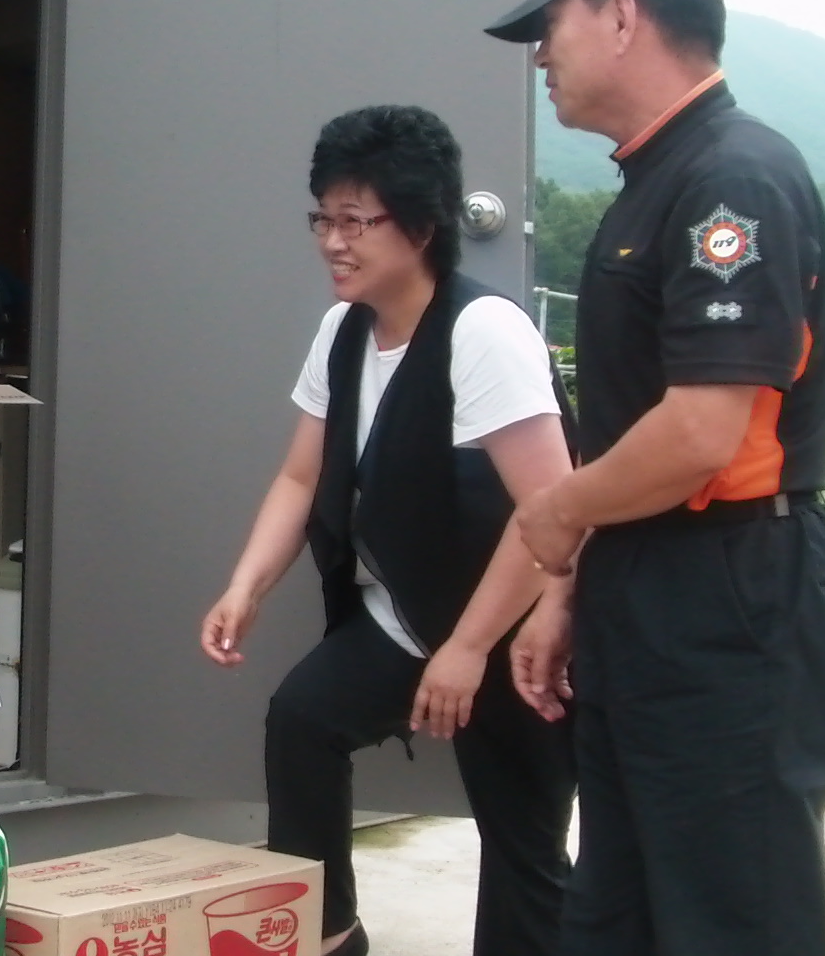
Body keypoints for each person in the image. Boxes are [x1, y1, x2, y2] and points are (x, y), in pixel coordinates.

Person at [485, 0, 825, 956]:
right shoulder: (656, 181)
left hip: (733, 590)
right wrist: (570, 590)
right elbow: (635, 425)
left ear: (621, 13)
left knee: (733, 914)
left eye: (548, 27)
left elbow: (703, 431)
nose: (538, 58)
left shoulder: (731, 180)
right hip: (652, 582)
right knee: (621, 912)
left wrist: (556, 514)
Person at [200, 106, 578, 956]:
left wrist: (469, 648)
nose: (333, 242)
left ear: (421, 226)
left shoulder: (483, 332)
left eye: (355, 222)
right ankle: (329, 935)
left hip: (517, 625)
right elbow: (301, 476)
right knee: (304, 719)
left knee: (523, 844)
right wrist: (246, 586)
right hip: (409, 614)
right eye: (322, 219)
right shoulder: (344, 333)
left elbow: (549, 512)